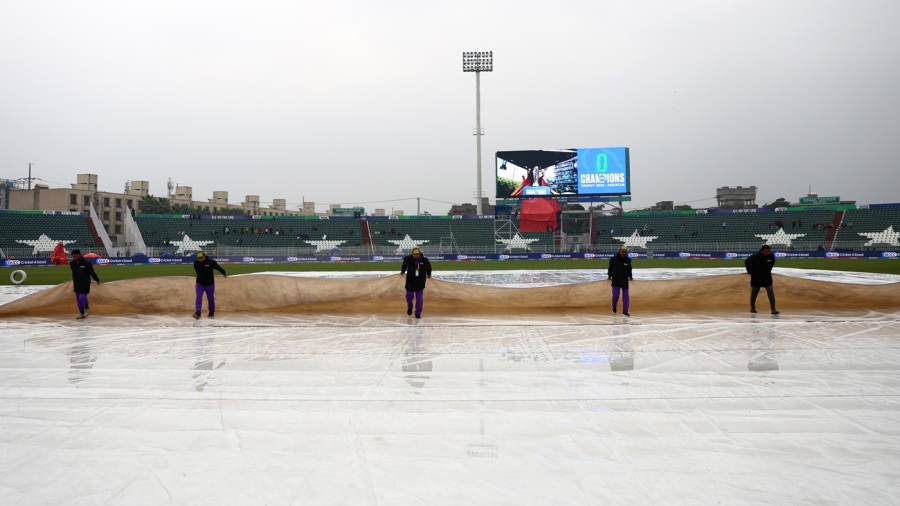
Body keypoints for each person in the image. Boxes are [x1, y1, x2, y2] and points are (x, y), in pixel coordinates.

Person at [745, 244, 779, 314]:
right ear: (762, 251)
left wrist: (769, 269)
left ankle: (773, 309)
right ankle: (753, 308)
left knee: (770, 292)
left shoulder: (771, 256)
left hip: (767, 278)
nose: (767, 253)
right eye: (766, 251)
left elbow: (772, 263)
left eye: (769, 251)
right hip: (756, 278)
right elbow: (746, 262)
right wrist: (750, 271)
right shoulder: (755, 257)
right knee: (754, 294)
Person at [400, 247, 432, 318]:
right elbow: (404, 266)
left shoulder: (425, 260)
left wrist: (429, 274)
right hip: (410, 282)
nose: (416, 256)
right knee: (409, 296)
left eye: (417, 254)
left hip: (420, 282)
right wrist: (402, 271)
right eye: (414, 254)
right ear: (412, 253)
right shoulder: (407, 259)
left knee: (419, 298)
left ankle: (418, 313)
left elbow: (429, 268)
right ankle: (410, 307)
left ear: (419, 254)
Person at [193, 251, 226, 319]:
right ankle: (198, 312)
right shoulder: (196, 263)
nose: (199, 259)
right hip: (199, 283)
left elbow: (218, 267)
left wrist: (223, 272)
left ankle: (211, 311)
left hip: (209, 284)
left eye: (201, 258)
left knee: (210, 298)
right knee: (198, 297)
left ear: (204, 256)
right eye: (198, 258)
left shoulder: (211, 262)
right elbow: (197, 271)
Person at [70, 249, 100, 319]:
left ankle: (86, 308)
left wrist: (97, 280)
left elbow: (92, 273)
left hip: (85, 283)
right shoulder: (72, 263)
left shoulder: (87, 263)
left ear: (80, 255)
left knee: (82, 297)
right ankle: (81, 313)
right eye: (73, 256)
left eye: (76, 256)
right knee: (78, 300)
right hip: (76, 283)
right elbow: (74, 272)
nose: (74, 258)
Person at [607, 246, 633, 316]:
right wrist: (609, 275)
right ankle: (614, 306)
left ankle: (625, 311)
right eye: (622, 251)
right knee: (615, 296)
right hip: (616, 280)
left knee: (626, 297)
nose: (623, 253)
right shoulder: (613, 259)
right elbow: (610, 268)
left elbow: (629, 269)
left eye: (624, 252)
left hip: (624, 280)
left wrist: (630, 277)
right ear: (619, 251)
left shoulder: (628, 260)